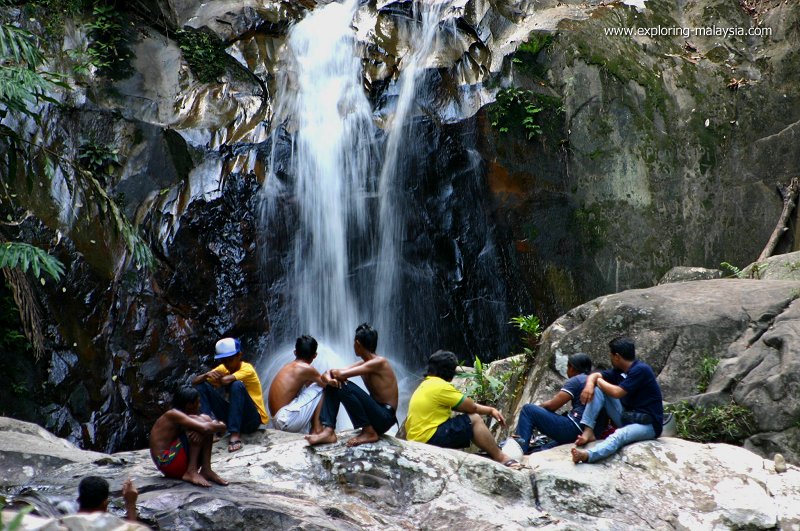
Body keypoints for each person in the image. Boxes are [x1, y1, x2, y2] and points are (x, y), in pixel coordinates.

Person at [405, 350, 520, 468]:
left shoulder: (425, 385)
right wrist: (491, 410)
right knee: (473, 419)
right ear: (450, 372)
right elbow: (471, 407)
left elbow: (462, 406)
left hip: (416, 440)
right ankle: (501, 458)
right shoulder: (441, 387)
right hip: (429, 439)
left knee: (459, 420)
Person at [572, 337, 663, 464]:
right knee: (598, 389)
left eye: (610, 354)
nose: (610, 358)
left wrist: (597, 381)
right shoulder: (620, 371)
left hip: (648, 425)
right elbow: (595, 375)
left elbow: (617, 392)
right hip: (628, 417)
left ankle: (588, 455)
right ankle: (588, 431)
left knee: (620, 434)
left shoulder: (641, 370)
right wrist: (590, 384)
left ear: (617, 356)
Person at [304, 323, 398, 447]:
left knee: (342, 385)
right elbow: (331, 373)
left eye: (354, 342)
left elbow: (338, 374)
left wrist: (331, 376)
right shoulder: (365, 363)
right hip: (375, 413)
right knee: (335, 385)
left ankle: (369, 432)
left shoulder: (379, 362)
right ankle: (328, 431)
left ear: (357, 343)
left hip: (384, 417)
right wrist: (329, 379)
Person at [192, 337, 269, 452]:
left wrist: (216, 377)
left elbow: (227, 380)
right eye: (224, 361)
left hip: (251, 419)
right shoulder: (224, 368)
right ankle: (208, 428)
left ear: (239, 355)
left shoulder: (247, 369)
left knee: (237, 385)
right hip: (233, 416)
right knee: (202, 385)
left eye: (230, 360)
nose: (227, 364)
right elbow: (194, 382)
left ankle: (235, 434)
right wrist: (205, 375)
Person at [512, 353, 595, 453]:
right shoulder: (594, 380)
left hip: (575, 429)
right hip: (591, 431)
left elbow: (552, 406)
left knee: (528, 410)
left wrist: (538, 409)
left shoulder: (576, 380)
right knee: (541, 449)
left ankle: (518, 451)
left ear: (571, 368)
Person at [149, 386, 228, 487]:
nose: (199, 406)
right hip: (166, 462)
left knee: (205, 420)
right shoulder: (173, 414)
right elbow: (207, 428)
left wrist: (216, 426)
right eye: (197, 402)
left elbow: (212, 427)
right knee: (201, 428)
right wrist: (220, 425)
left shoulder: (186, 416)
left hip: (177, 463)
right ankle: (191, 471)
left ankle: (206, 469)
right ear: (189, 405)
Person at [267, 335, 326, 434]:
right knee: (322, 388)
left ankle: (315, 428)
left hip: (278, 420)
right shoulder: (306, 368)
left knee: (313, 389)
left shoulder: (289, 366)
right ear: (315, 355)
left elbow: (310, 387)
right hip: (285, 420)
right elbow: (325, 384)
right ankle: (317, 429)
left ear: (295, 352)